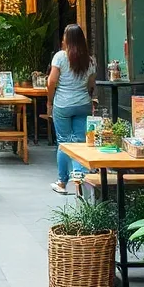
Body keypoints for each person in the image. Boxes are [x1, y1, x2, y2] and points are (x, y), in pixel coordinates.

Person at [48, 24, 96, 195]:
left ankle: (62, 183)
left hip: (62, 104)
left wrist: (49, 101)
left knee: (64, 142)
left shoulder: (60, 57)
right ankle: (80, 181)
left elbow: (51, 82)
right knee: (80, 142)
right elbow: (91, 84)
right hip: (83, 103)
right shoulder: (90, 60)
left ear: (66, 39)